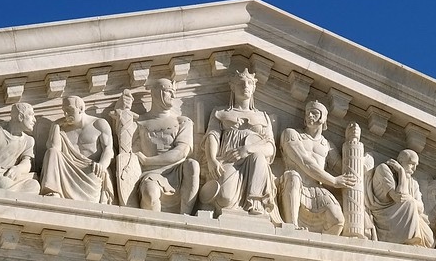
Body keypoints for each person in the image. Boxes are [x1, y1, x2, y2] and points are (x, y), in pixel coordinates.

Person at [201, 70, 277, 219]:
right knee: (225, 198)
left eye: (249, 83)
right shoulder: (220, 112)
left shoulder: (263, 117)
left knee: (259, 157)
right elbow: (213, 136)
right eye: (241, 83)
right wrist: (211, 159)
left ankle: (256, 202)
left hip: (254, 163)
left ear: (254, 87)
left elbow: (270, 147)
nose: (245, 86)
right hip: (228, 160)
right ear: (232, 87)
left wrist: (247, 149)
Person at [130, 78, 200, 215]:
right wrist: (123, 116)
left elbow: (181, 152)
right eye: (169, 92)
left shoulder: (182, 122)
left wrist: (147, 160)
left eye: (174, 92)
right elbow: (127, 152)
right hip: (151, 174)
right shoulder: (139, 123)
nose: (173, 96)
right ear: (156, 93)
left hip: (177, 171)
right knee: (150, 195)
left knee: (192, 165)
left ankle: (184, 217)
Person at [278, 100, 347, 234]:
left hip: (316, 190)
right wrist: (333, 181)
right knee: (293, 176)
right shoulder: (291, 134)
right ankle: (291, 227)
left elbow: (344, 171)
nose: (310, 116)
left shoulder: (327, 146)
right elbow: (305, 162)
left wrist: (352, 142)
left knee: (338, 221)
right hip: (294, 186)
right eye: (307, 113)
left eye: (314, 113)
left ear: (323, 118)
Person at [39, 94, 115, 203]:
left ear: (81, 109)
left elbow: (108, 149)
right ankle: (53, 192)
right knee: (51, 152)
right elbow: (54, 148)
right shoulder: (63, 129)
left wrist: (102, 165)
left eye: (69, 110)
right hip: (66, 171)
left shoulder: (99, 124)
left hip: (90, 170)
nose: (66, 114)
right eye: (64, 111)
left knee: (95, 174)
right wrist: (55, 125)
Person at [368, 148, 434, 247]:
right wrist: (401, 172)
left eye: (416, 165)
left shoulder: (413, 182)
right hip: (385, 215)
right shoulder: (383, 169)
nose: (414, 169)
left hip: (409, 215)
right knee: (410, 202)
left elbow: (421, 208)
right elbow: (399, 197)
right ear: (400, 161)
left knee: (430, 241)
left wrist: (410, 200)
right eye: (411, 164)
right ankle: (408, 241)